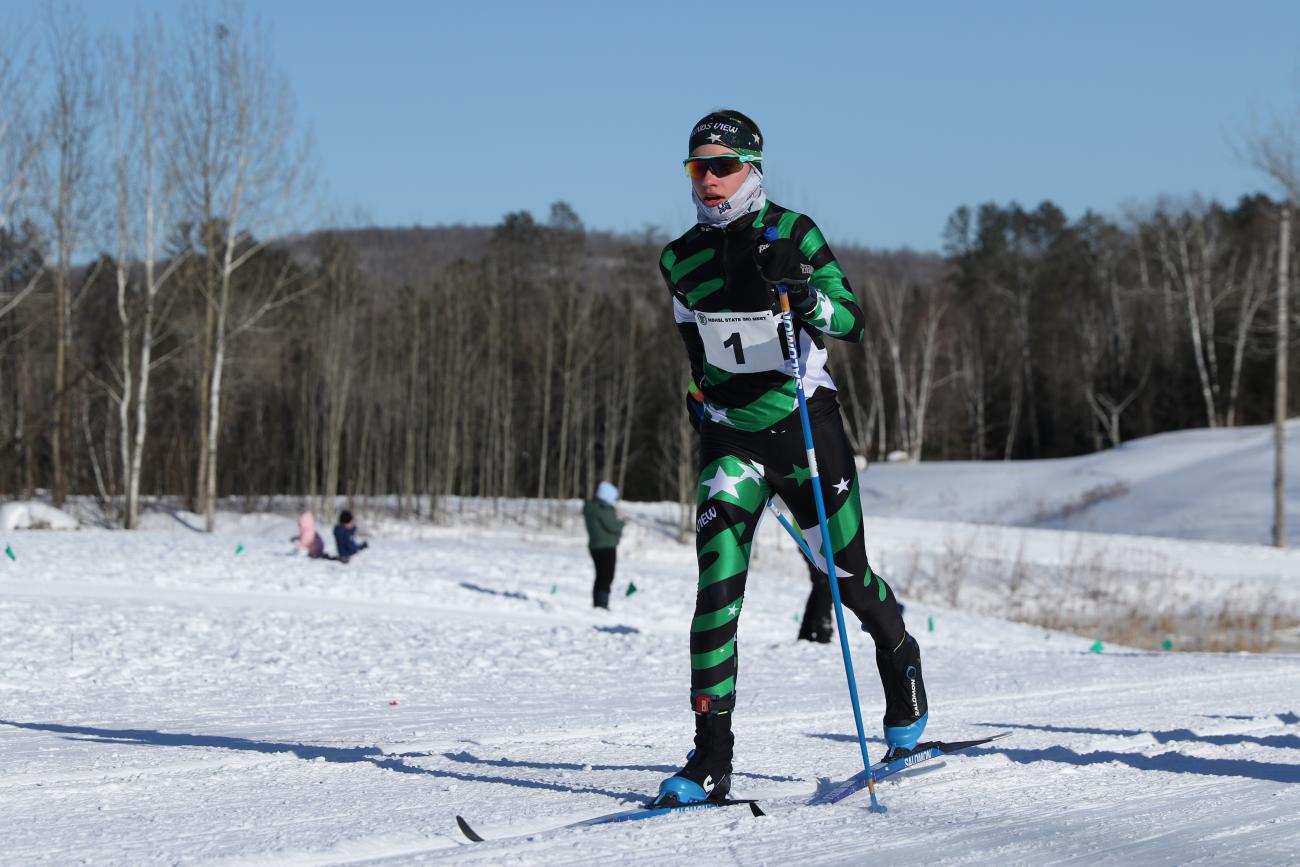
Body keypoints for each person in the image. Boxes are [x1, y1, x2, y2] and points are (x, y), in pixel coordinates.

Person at [654, 109, 929, 807]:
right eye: (698, 167)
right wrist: (697, 393)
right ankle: (710, 757)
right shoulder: (678, 258)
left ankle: (904, 676)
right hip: (733, 438)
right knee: (715, 590)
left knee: (847, 578)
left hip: (805, 426)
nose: (710, 180)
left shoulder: (793, 231)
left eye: (723, 166)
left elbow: (853, 318)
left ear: (753, 168)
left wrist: (805, 295)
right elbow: (697, 346)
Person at [582, 481, 625, 609]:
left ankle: (599, 603)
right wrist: (622, 522)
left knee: (601, 575)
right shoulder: (601, 509)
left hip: (595, 546)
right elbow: (613, 526)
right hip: (606, 546)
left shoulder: (591, 507)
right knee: (606, 576)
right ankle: (601, 604)